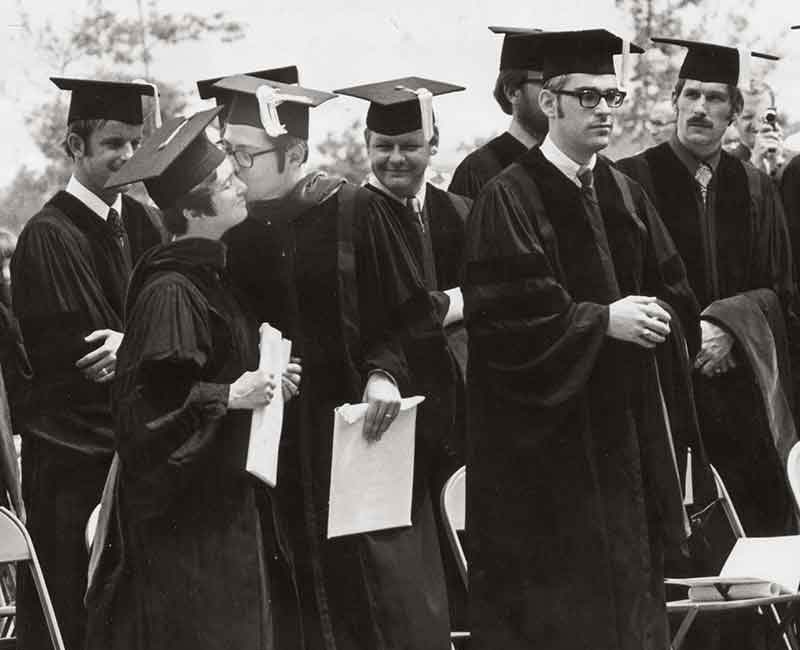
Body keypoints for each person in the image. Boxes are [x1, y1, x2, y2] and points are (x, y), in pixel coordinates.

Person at [463, 29, 699, 650]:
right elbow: (507, 323)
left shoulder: (626, 192)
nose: (601, 110)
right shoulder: (507, 196)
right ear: (549, 103)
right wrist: (603, 321)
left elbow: (674, 288)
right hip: (550, 461)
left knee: (634, 602)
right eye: (586, 97)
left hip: (627, 439)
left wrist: (661, 317)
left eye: (610, 97)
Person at [203, 70, 452, 649]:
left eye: (247, 153)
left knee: (377, 606)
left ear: (293, 152)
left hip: (356, 442)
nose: (235, 166)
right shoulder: (232, 234)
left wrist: (385, 375)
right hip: (275, 451)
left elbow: (410, 320)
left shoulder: (354, 211)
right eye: (229, 152)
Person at [83, 106, 302, 650]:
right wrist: (231, 394)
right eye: (228, 182)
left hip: (222, 506)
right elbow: (149, 414)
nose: (241, 186)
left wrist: (269, 382)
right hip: (190, 527)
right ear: (195, 207)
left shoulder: (208, 278)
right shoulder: (172, 291)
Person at [617, 39, 798, 554]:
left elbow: (781, 290)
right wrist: (691, 338)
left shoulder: (757, 188)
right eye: (691, 94)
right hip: (664, 392)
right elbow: (624, 287)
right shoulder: (631, 180)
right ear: (674, 100)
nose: (700, 109)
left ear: (734, 111)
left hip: (742, 393)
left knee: (753, 529)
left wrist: (728, 330)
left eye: (715, 98)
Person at [10, 77, 164, 650]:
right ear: (75, 146)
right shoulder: (49, 237)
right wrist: (143, 346)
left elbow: (145, 337)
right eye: (112, 144)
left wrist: (134, 344)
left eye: (134, 142)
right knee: (80, 621)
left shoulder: (145, 224)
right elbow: (88, 360)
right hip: (76, 465)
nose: (127, 156)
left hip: (128, 454)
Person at [337, 75, 471, 628]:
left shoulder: (463, 212)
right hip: (397, 420)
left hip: (463, 413)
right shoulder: (348, 219)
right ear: (366, 146)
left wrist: (440, 306)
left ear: (433, 144)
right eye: (382, 146)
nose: (395, 158)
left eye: (409, 146)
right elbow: (373, 320)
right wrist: (456, 303)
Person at [448, 26, 547, 199]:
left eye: (559, 86)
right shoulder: (477, 170)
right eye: (544, 83)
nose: (553, 96)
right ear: (512, 92)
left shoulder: (565, 163)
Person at [730, 81, 787, 180]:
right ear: (734, 119)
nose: (757, 126)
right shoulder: (723, 164)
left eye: (764, 117)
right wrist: (755, 164)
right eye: (747, 117)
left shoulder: (792, 160)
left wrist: (781, 166)